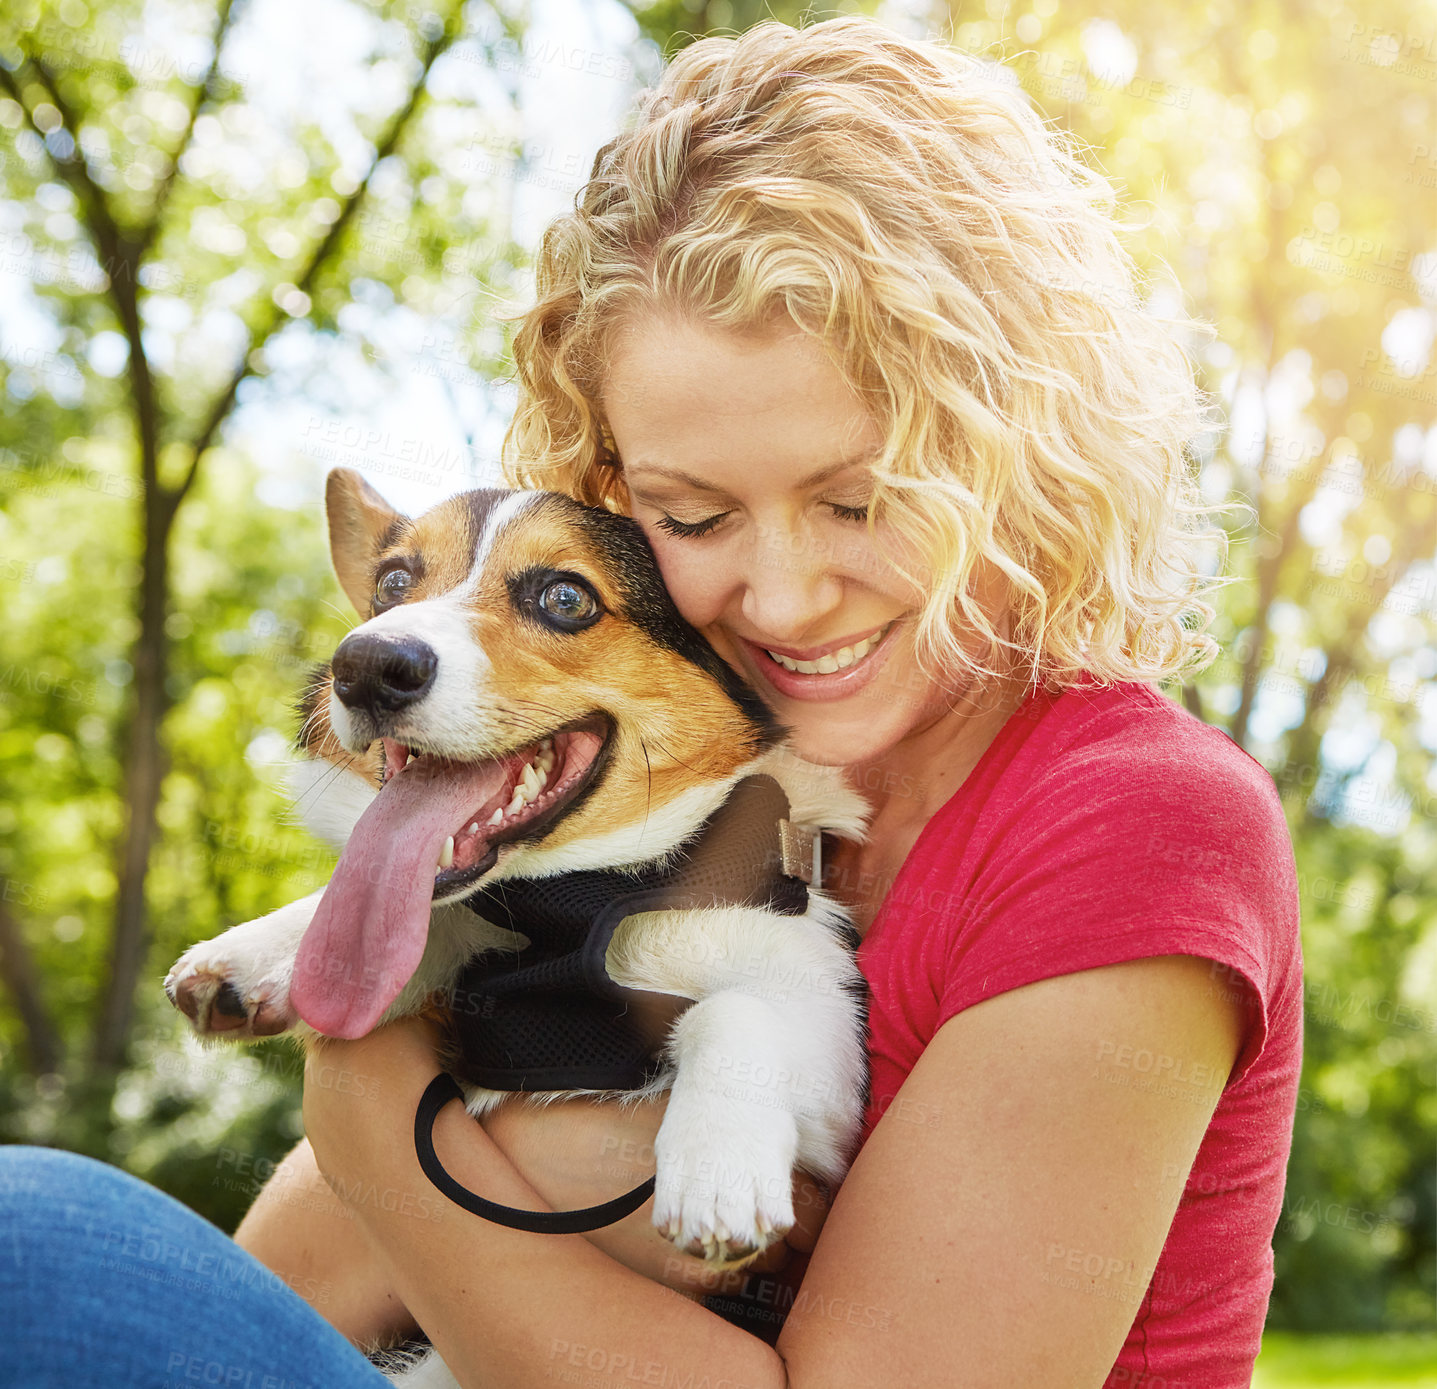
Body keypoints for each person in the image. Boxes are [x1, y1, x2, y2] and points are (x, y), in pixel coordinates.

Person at [2, 16, 1301, 1387]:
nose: (788, 598)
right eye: (691, 512)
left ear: (1015, 456)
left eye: (861, 501)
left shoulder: (1132, 819)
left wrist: (372, 1104)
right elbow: (288, 1294)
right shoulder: (640, 785)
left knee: (44, 1243)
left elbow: (382, 1198)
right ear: (613, 495)